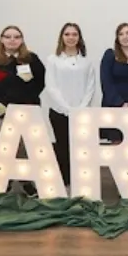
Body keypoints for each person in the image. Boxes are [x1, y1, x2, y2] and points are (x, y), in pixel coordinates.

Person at [0, 25, 45, 196]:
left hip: (26, 112)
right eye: (8, 37)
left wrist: (27, 103)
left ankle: (10, 182)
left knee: (23, 148)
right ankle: (19, 183)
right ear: (1, 39)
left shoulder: (32, 60)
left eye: (16, 36)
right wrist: (1, 104)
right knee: (5, 148)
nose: (12, 40)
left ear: (22, 39)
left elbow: (40, 83)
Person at [45, 23, 95, 191]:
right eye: (67, 34)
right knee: (63, 147)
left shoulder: (86, 62)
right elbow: (51, 86)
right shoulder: (53, 60)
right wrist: (67, 108)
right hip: (59, 112)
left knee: (81, 149)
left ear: (79, 38)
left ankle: (80, 182)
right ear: (62, 37)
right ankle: (64, 183)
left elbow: (90, 86)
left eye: (74, 34)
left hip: (82, 113)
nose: (71, 37)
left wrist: (81, 108)